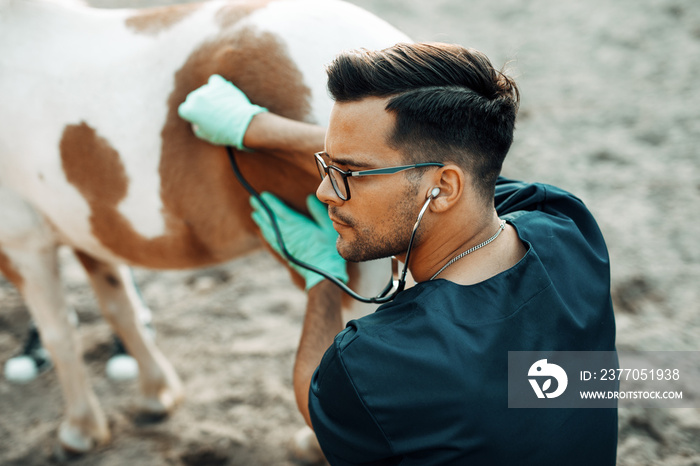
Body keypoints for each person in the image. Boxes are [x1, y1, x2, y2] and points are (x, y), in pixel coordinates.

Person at [178, 42, 617, 465]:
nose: (324, 190)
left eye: (350, 172)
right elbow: (472, 170)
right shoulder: (567, 226)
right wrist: (259, 129)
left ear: (442, 189)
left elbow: (317, 405)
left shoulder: (378, 360)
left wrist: (322, 284)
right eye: (329, 166)